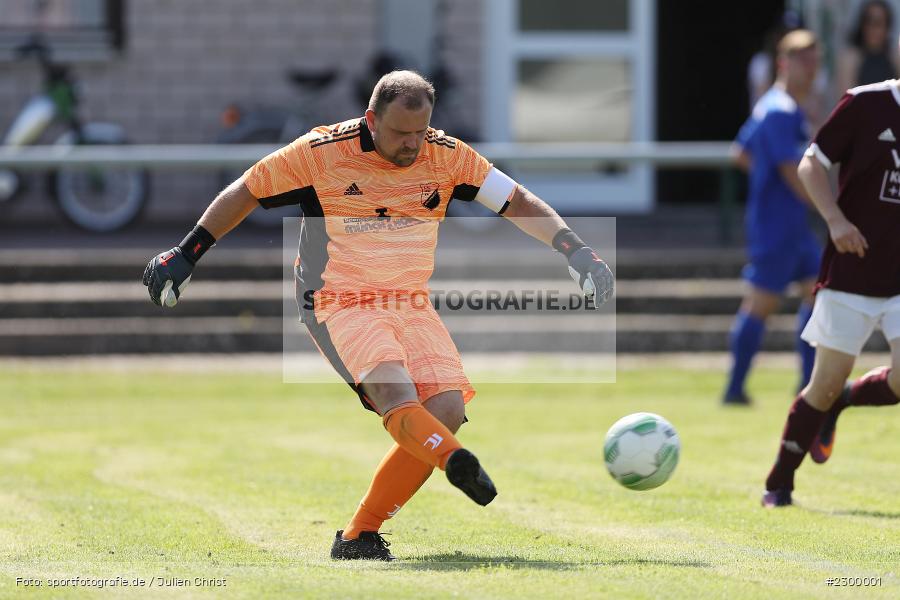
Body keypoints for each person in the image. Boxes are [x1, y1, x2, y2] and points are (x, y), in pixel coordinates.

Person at [142, 71, 615, 559]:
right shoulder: (321, 153)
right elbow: (245, 191)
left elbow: (515, 200)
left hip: (409, 300)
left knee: (447, 411)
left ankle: (357, 537)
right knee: (397, 394)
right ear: (371, 119)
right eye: (400, 134)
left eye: (420, 131)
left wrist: (575, 251)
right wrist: (186, 254)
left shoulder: (447, 155)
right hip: (337, 300)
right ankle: (455, 461)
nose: (413, 145)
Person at [761, 54, 900, 507]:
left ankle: (845, 400)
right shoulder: (867, 103)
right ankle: (779, 483)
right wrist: (836, 221)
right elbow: (811, 164)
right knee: (822, 385)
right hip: (852, 270)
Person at [724, 30, 822, 405]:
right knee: (761, 304)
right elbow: (788, 168)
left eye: (815, 62)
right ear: (783, 63)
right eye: (803, 61)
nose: (811, 69)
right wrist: (825, 206)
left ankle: (807, 387)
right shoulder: (780, 110)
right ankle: (734, 390)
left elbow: (741, 152)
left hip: (790, 224)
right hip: (777, 226)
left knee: (818, 295)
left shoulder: (774, 105)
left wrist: (766, 179)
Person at [835, 0, 900, 96]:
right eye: (869, 22)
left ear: (887, 27)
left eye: (878, 23)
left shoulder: (895, 58)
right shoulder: (850, 60)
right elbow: (846, 101)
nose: (873, 28)